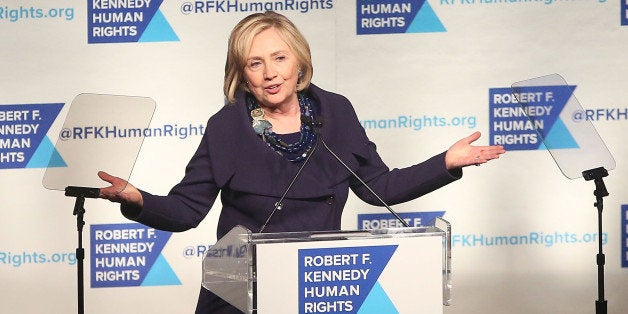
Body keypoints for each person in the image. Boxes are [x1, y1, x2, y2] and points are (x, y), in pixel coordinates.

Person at [97, 11, 505, 314]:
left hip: (314, 283)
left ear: (299, 62)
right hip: (239, 289)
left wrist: (447, 162)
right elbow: (186, 209)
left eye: (279, 58)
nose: (270, 74)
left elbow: (378, 187)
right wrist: (135, 198)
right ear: (242, 72)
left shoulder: (337, 112)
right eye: (255, 63)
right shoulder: (227, 127)